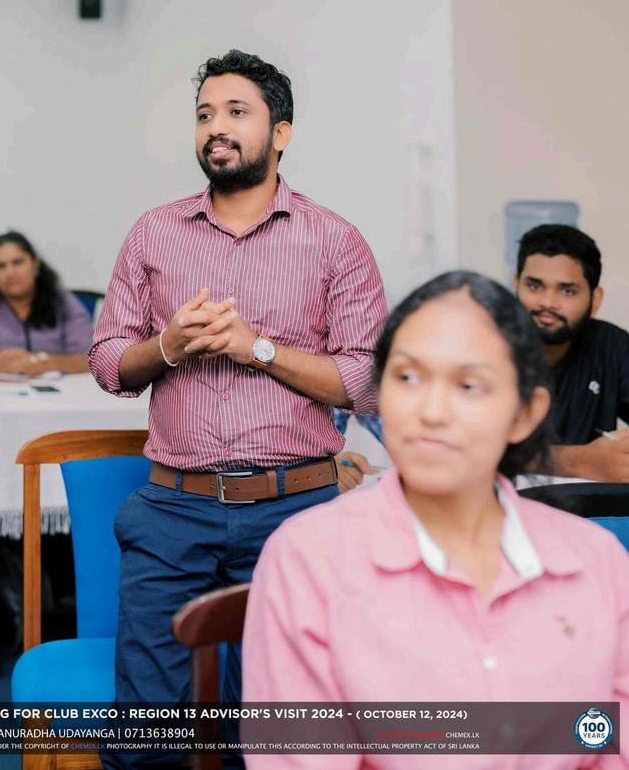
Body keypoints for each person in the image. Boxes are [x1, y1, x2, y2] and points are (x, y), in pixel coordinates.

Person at [90, 49, 387, 768]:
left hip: (296, 513)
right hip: (173, 509)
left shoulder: (335, 240)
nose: (215, 128)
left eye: (236, 112)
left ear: (280, 133)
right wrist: (168, 345)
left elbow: (366, 382)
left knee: (275, 734)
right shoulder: (153, 233)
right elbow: (107, 362)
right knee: (146, 737)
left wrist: (257, 348)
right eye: (204, 114)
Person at [243, 271, 629, 770]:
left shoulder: (598, 564)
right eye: (407, 378)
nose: (431, 411)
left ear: (525, 413)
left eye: (468, 385)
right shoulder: (307, 561)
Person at [514, 224, 629, 482]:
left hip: (592, 504)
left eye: (567, 291)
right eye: (534, 286)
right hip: (503, 502)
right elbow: (467, 446)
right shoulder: (486, 347)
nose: (547, 302)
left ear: (595, 300)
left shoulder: (610, 344)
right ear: (516, 285)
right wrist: (579, 462)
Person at [0, 231, 92, 376]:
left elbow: (89, 359)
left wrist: (40, 362)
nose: (10, 273)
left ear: (35, 264)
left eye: (17, 262)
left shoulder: (64, 303)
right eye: (0, 266)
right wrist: (0, 364)